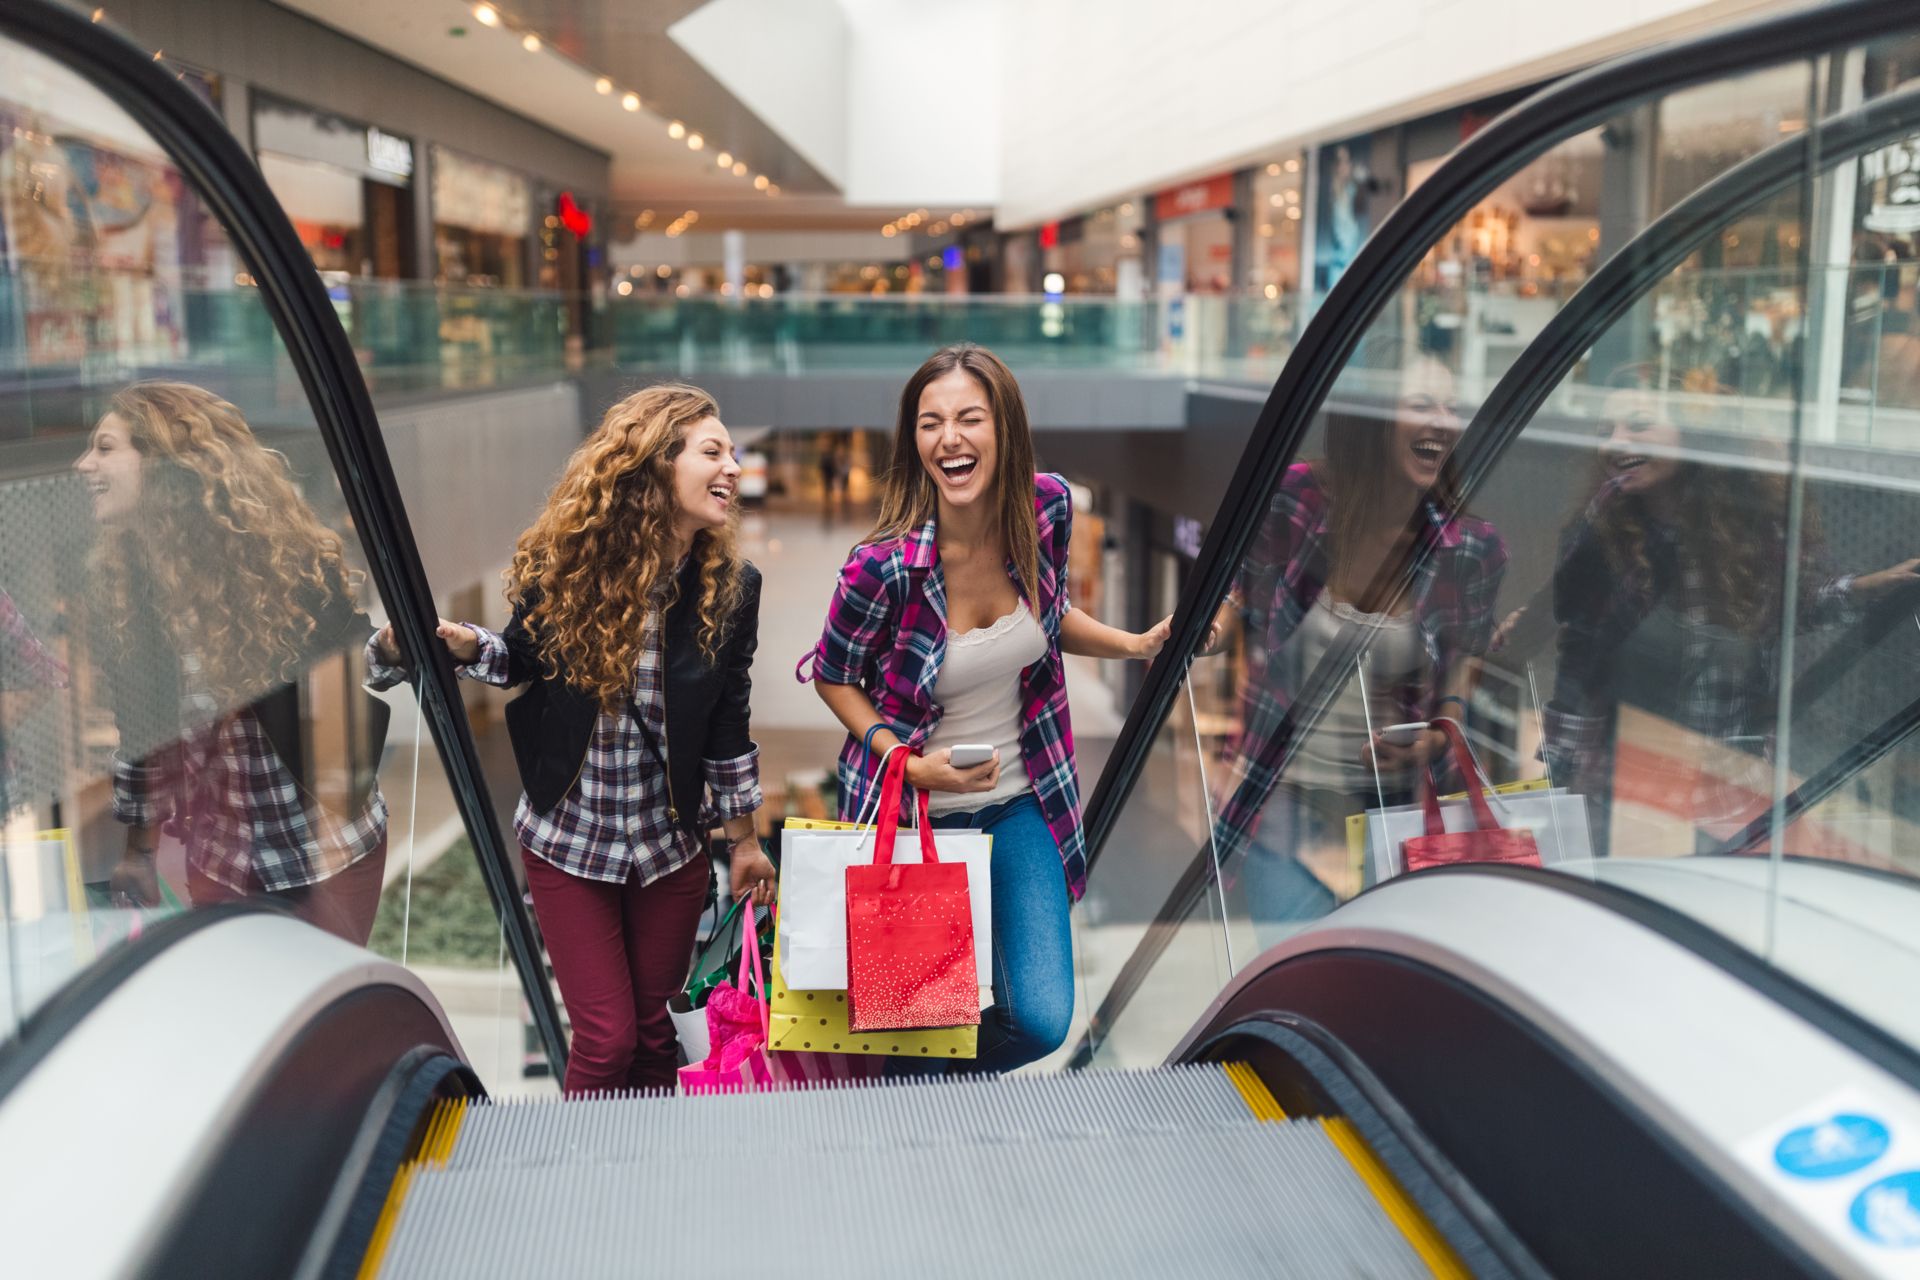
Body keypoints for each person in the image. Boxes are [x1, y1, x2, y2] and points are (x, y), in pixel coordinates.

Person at [373, 384, 773, 1096]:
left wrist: (743, 840)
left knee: (656, 1036)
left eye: (733, 454)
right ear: (654, 462)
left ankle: (643, 1179)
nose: (734, 468)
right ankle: (577, 1176)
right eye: (713, 451)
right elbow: (525, 660)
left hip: (668, 848)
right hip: (570, 842)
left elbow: (726, 723)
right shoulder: (571, 563)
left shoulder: (732, 587)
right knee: (608, 1036)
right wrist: (469, 648)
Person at [801, 344, 1172, 1074]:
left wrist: (1136, 645)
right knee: (912, 1039)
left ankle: (927, 1080)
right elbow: (833, 677)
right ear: (914, 441)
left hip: (1020, 801)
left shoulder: (1048, 510)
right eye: (931, 422)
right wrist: (905, 762)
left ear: (1004, 429)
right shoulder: (882, 569)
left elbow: (1048, 611)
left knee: (1038, 1020)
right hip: (911, 819)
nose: (950, 439)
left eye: (970, 418)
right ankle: (916, 1106)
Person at [1543, 369, 1920, 852]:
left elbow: (1796, 601)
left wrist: (1870, 589)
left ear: (1692, 432)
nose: (1616, 443)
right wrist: (1561, 767)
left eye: (1638, 426)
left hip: (1727, 776)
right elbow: (1577, 649)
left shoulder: (1749, 526)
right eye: (1605, 432)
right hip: (1631, 778)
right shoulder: (1601, 530)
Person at [1211, 345, 1508, 932]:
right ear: (1373, 421)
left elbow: (1466, 650)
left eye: (1451, 407)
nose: (1441, 421)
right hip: (1287, 804)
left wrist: (1441, 728)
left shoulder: (1470, 547)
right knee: (1295, 979)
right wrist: (1197, 637)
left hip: (1400, 813)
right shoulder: (1296, 500)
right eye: (1421, 403)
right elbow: (1241, 599)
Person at [80, 382, 390, 942]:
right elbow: (142, 738)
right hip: (222, 859)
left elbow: (357, 658)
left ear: (165, 460)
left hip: (327, 850)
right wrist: (139, 853)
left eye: (104, 448)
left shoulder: (276, 561)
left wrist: (401, 651)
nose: (84, 465)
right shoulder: (124, 587)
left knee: (321, 1017)